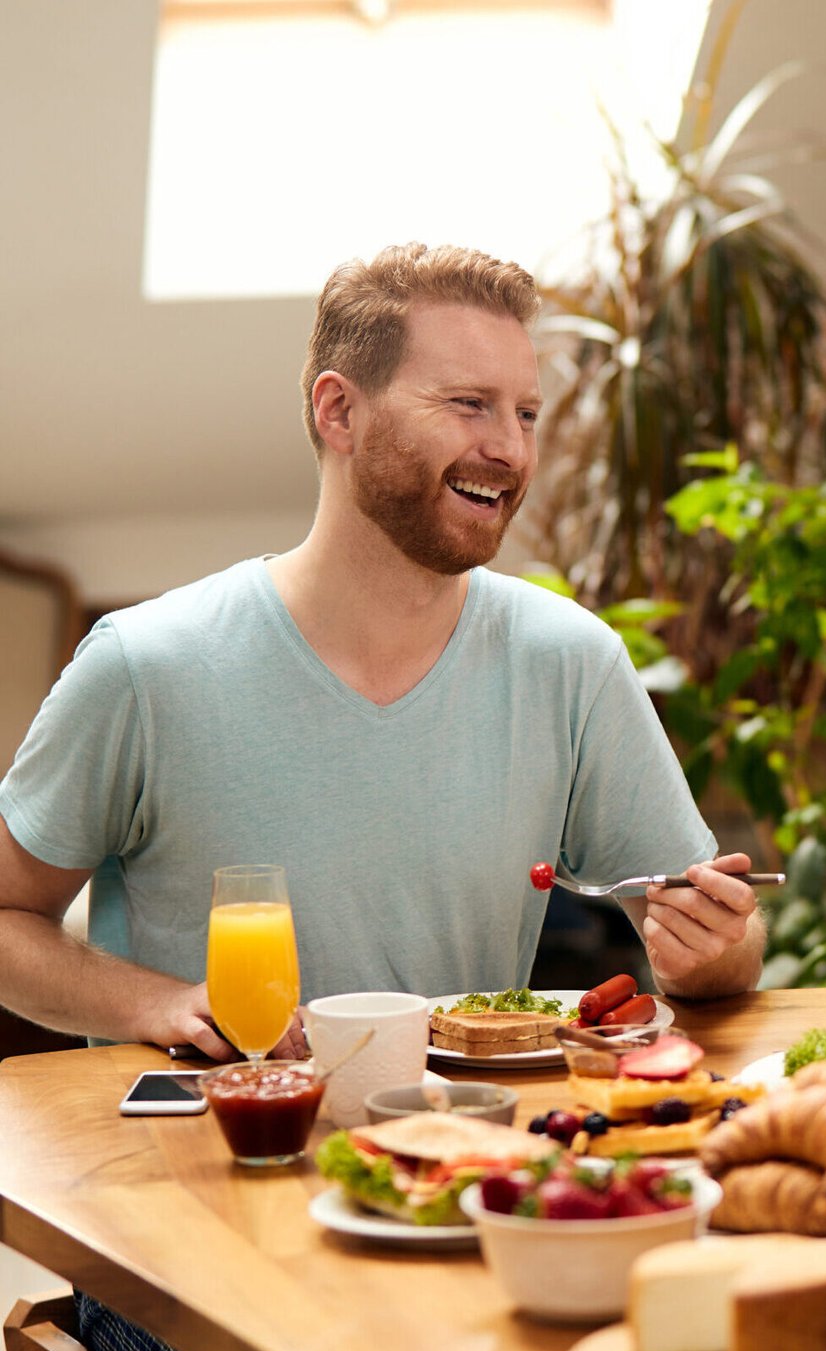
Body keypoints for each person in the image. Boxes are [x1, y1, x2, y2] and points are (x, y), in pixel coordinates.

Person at [0, 242, 766, 1065]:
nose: (510, 449)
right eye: (470, 403)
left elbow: (725, 948)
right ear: (340, 413)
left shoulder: (572, 663)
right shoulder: (146, 667)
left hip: (454, 1163)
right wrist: (154, 1001)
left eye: (527, 413)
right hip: (200, 1164)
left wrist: (713, 948)